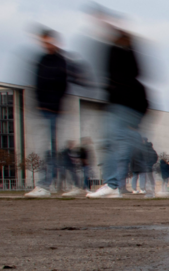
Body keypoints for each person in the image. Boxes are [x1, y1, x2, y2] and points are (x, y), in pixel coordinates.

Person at [89, 21, 150, 199]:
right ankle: (114, 185)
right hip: (122, 106)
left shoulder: (123, 58)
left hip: (122, 107)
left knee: (114, 147)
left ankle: (113, 185)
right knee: (122, 147)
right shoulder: (127, 59)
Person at [26, 27, 86, 198]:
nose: (46, 44)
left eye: (48, 41)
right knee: (54, 151)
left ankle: (45, 186)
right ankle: (73, 184)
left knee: (52, 151)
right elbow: (37, 83)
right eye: (43, 41)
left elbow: (72, 78)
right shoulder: (42, 60)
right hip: (44, 110)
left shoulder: (63, 61)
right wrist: (37, 103)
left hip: (56, 110)